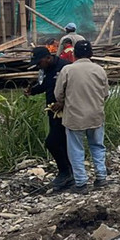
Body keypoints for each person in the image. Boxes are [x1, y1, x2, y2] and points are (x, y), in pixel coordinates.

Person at [52, 40, 109, 193]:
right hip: (95, 115)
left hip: (75, 117)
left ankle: (81, 183)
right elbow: (105, 94)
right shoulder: (99, 70)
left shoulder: (67, 70)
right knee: (97, 146)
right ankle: (101, 178)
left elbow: (58, 94)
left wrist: (64, 102)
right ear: (91, 53)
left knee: (76, 150)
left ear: (74, 54)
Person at [27, 47, 72, 190]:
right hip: (52, 111)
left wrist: (62, 102)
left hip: (66, 112)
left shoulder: (65, 67)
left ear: (48, 57)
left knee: (52, 143)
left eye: (39, 63)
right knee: (61, 143)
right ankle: (69, 174)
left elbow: (73, 88)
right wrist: (32, 91)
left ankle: (66, 172)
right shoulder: (44, 70)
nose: (38, 66)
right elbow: (44, 86)